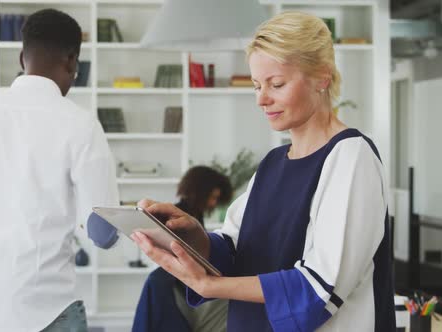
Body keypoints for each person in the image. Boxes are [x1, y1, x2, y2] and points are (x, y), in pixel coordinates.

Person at [130, 11, 395, 331]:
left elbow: (320, 289)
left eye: (277, 84)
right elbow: (235, 250)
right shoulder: (273, 162)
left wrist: (210, 287)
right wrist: (190, 235)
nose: (262, 99)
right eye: (257, 85)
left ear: (322, 77)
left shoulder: (351, 157)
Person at [0, 8, 118, 332]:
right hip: (48, 310)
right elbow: (103, 232)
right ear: (72, 61)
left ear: (22, 58)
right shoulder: (81, 125)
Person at [133, 166, 232, 332]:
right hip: (176, 283)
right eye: (213, 197)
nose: (214, 203)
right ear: (201, 192)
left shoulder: (192, 214)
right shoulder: (181, 216)